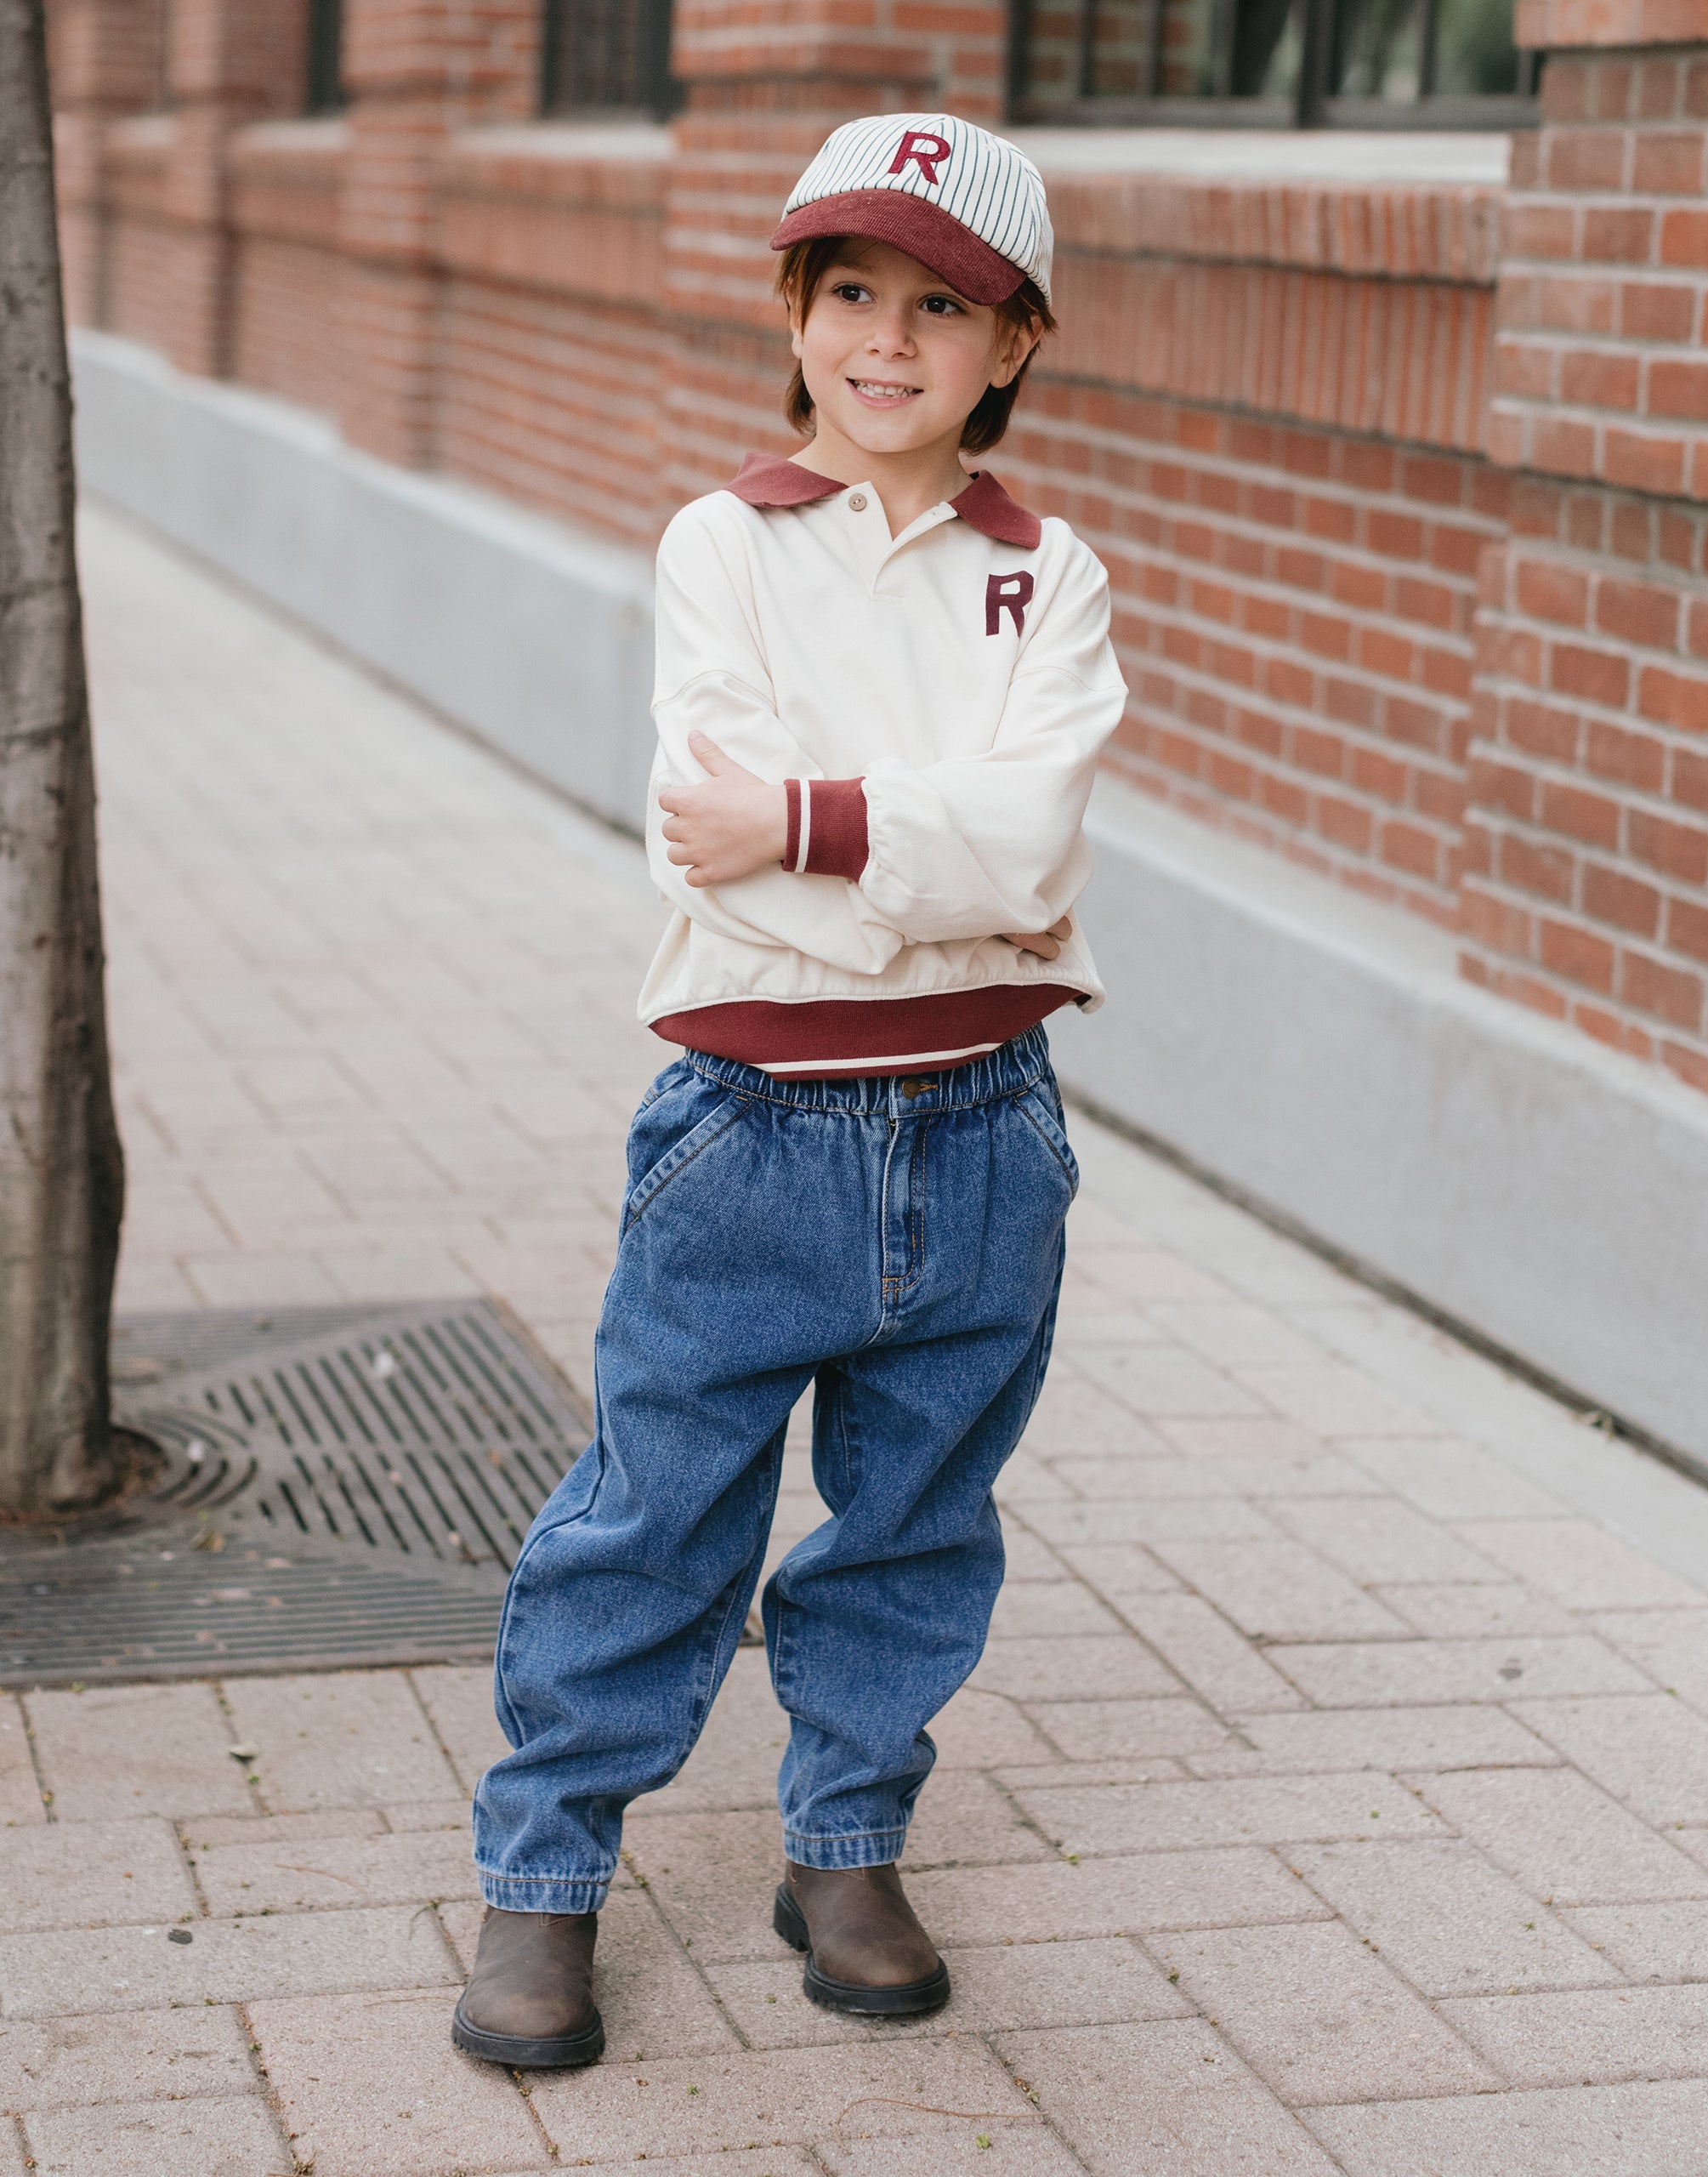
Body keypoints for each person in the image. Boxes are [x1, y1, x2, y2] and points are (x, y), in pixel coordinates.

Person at [453, 111, 1126, 2071]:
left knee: (917, 1511)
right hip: (752, 1135)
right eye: (851, 292)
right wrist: (935, 868)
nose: (888, 339)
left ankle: (844, 1837)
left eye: (943, 303)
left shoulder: (1047, 573)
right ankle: (547, 1867)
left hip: (990, 1129)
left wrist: (822, 832)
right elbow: (710, 841)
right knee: (653, 1514)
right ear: (794, 309)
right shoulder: (720, 544)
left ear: (1012, 343)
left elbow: (1033, 848)